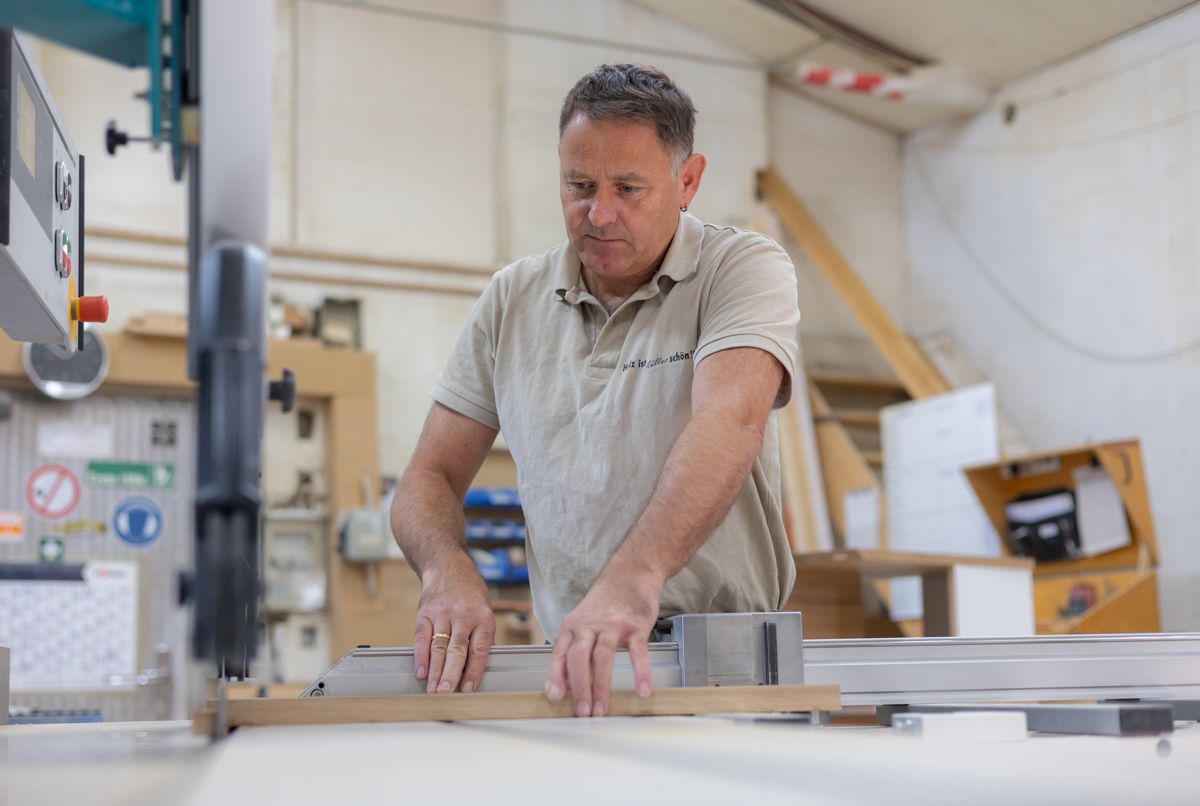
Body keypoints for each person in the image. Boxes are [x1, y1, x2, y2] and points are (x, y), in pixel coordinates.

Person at [392, 63, 799, 718]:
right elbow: (428, 476)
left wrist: (634, 579)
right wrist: (445, 569)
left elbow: (729, 422)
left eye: (628, 188)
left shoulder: (740, 269)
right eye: (579, 185)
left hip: (727, 662)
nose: (599, 213)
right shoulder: (511, 300)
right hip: (579, 665)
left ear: (687, 180)